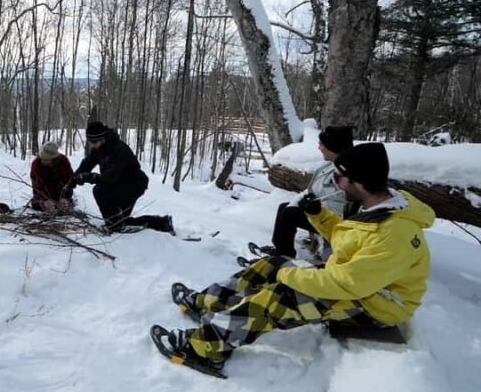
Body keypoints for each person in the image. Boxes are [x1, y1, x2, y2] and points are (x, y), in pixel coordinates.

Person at [154, 143, 434, 374]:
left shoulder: (394, 233)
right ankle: (208, 303)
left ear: (358, 182)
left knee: (281, 296)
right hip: (361, 283)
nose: (334, 182)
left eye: (339, 177)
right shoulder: (380, 207)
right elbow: (349, 242)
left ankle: (206, 349)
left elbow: (348, 284)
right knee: (273, 264)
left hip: (375, 306)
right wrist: (317, 213)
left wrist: (288, 276)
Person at [258, 126, 358, 258]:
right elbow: (309, 191)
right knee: (285, 208)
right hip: (321, 214)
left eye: (321, 144)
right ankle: (281, 250)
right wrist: (296, 204)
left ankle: (284, 255)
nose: (319, 148)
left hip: (335, 221)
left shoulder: (348, 172)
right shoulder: (325, 168)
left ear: (332, 147)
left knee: (289, 214)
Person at [70, 121, 173, 233]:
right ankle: (163, 223)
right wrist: (72, 181)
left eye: (94, 142)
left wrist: (87, 177)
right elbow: (87, 164)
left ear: (102, 138)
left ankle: (114, 226)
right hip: (119, 183)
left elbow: (109, 178)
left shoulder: (118, 150)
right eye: (90, 142)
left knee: (100, 191)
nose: (92, 145)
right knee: (121, 220)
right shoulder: (99, 148)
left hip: (133, 184)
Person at [30, 141, 74, 211]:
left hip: (60, 195)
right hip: (43, 196)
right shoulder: (36, 164)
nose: (42, 161)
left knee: (66, 206)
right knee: (36, 205)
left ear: (53, 159)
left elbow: (70, 181)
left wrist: (65, 197)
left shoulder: (64, 162)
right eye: (42, 158)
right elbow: (36, 187)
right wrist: (44, 200)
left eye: (46, 159)